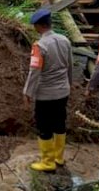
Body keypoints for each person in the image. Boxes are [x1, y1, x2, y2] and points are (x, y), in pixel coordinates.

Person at [23, 9, 73, 172]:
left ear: (39, 26)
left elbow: (34, 71)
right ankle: (58, 158)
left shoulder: (40, 45)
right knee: (59, 123)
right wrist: (69, 85)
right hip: (63, 91)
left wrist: (27, 92)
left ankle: (47, 162)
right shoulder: (65, 40)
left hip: (46, 94)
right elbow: (70, 65)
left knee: (44, 126)